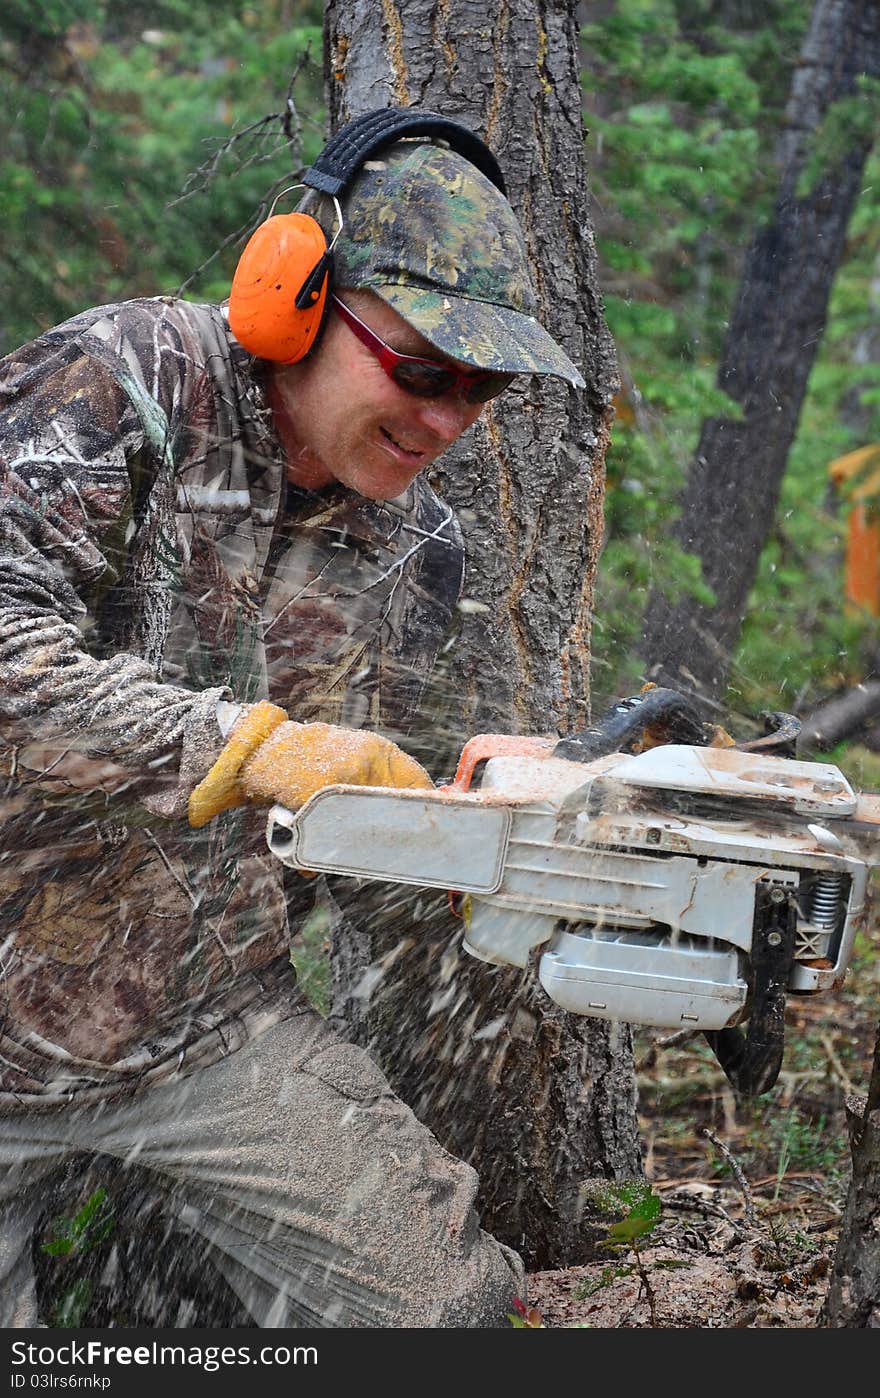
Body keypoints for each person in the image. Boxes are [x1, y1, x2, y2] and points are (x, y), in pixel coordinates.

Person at [0, 109, 585, 1328]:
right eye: (422, 370)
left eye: (483, 389)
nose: (446, 421)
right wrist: (254, 748)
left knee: (447, 1320)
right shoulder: (126, 381)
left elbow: (358, 821)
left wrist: (487, 824)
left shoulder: (416, 544)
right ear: (299, 299)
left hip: (204, 1031)